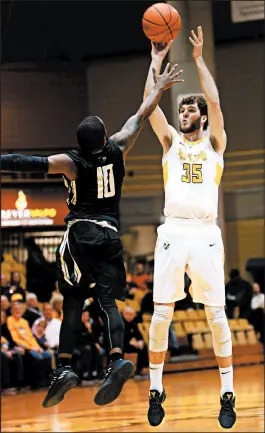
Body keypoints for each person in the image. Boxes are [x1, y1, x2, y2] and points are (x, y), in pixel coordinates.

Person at [1, 63, 184, 409]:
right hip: (111, 236)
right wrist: (158, 83)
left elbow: (27, 162)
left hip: (80, 234)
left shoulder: (71, 162)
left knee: (72, 301)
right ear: (103, 137)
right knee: (108, 303)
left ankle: (65, 367)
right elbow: (141, 115)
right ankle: (116, 359)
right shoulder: (118, 147)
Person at [143, 26, 236, 429]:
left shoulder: (214, 144)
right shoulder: (170, 145)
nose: (184, 114)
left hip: (205, 233)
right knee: (161, 315)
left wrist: (198, 61)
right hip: (172, 232)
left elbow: (214, 100)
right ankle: (155, 389)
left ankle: (227, 393)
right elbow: (149, 107)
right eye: (181, 110)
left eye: (189, 110)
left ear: (199, 117)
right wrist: (155, 62)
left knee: (216, 316)